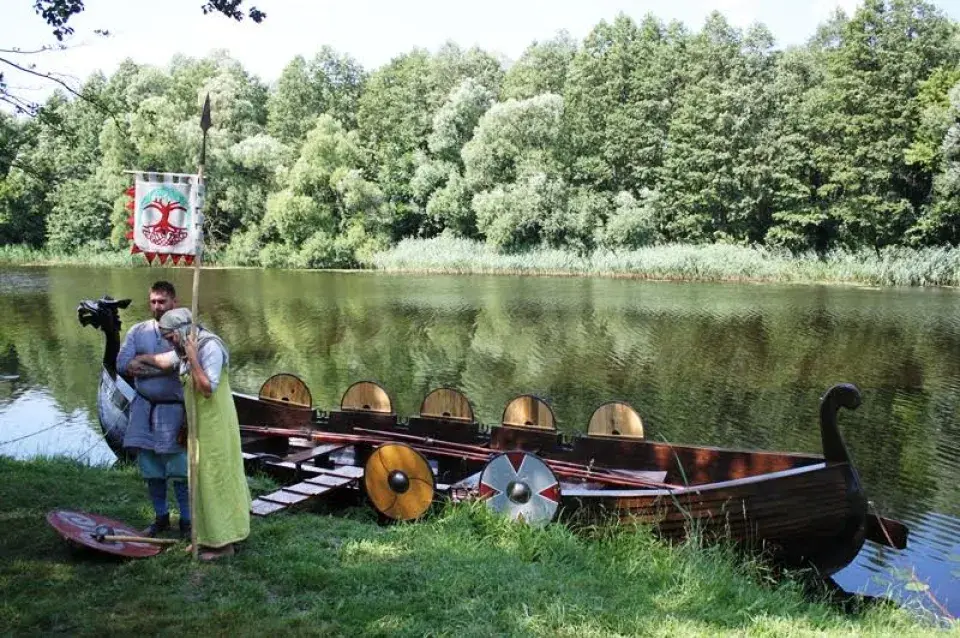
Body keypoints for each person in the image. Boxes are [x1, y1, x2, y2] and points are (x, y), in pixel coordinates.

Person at [132, 307, 251, 561]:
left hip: (216, 424)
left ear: (183, 331)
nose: (168, 341)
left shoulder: (209, 348)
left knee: (216, 478)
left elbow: (206, 388)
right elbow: (165, 360)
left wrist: (194, 358)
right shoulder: (184, 349)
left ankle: (225, 543)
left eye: (170, 336)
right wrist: (142, 359)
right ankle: (205, 537)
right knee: (199, 478)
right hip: (199, 425)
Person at [116, 280, 190, 539]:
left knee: (180, 470)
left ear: (174, 302)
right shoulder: (138, 331)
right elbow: (123, 363)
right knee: (151, 469)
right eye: (153, 301)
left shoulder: (185, 332)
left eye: (162, 301)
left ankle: (187, 521)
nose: (157, 306)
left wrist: (146, 365)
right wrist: (154, 368)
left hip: (174, 411)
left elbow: (179, 365)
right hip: (143, 408)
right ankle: (160, 518)